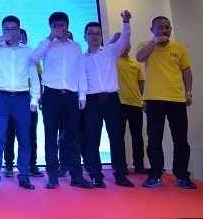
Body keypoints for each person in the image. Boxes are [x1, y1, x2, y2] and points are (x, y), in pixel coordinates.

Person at [32, 12, 93, 189]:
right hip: (51, 95)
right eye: (55, 25)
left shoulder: (76, 46)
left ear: (68, 26)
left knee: (74, 136)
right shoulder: (46, 44)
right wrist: (50, 37)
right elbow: (34, 58)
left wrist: (82, 95)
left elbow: (80, 71)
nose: (59, 28)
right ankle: (52, 176)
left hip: (71, 96)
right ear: (50, 27)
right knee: (50, 136)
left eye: (62, 25)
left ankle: (77, 176)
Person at [136, 16, 196, 189]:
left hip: (177, 99)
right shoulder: (145, 45)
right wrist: (154, 41)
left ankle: (182, 176)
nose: (165, 30)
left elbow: (186, 70)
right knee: (154, 139)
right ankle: (155, 175)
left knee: (181, 140)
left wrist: (188, 92)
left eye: (167, 27)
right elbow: (140, 58)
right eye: (160, 27)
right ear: (152, 29)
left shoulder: (179, 48)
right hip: (154, 99)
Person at [0, 16, 40, 191]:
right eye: (6, 29)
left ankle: (23, 175)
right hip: (2, 99)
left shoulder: (28, 51)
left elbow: (34, 77)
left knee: (24, 139)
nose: (10, 32)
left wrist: (34, 99)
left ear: (19, 31)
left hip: (22, 99)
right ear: (2, 30)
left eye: (13, 29)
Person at [82, 11, 134, 188]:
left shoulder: (111, 51)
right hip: (92, 101)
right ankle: (96, 176)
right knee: (92, 139)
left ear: (102, 36)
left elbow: (124, 40)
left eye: (98, 33)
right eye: (91, 33)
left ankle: (121, 175)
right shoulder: (81, 59)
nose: (95, 36)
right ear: (85, 36)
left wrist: (125, 22)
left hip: (112, 100)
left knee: (116, 138)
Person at [3, 28, 44, 178]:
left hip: (29, 101)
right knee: (9, 134)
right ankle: (8, 164)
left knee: (30, 135)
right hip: (10, 101)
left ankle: (31, 165)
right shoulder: (7, 55)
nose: (20, 39)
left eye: (22, 37)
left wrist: (38, 98)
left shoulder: (32, 56)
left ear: (26, 40)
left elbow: (39, 79)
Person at [109, 32, 147, 175]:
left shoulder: (136, 62)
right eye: (122, 44)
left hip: (136, 103)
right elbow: (106, 49)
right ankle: (120, 166)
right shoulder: (112, 59)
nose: (125, 47)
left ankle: (139, 165)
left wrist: (143, 99)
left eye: (127, 45)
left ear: (130, 46)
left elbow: (141, 83)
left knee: (137, 136)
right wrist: (114, 40)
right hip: (117, 104)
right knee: (118, 137)